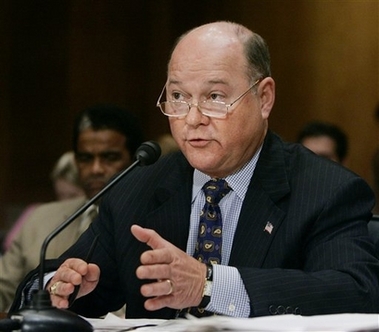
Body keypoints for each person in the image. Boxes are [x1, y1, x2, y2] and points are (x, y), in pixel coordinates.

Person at [13, 21, 379, 319]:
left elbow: (358, 291)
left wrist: (208, 284)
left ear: (263, 97)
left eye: (215, 97)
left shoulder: (325, 189)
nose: (193, 119)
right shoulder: (138, 187)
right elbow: (57, 282)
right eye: (178, 97)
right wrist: (57, 288)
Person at [0, 104, 144, 312]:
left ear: (135, 160)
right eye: (85, 158)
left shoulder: (153, 222)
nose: (95, 169)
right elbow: (4, 290)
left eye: (109, 157)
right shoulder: (39, 219)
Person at [1, 151, 85, 253]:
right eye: (60, 195)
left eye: (73, 196)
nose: (65, 202)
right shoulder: (36, 212)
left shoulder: (95, 219)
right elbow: (9, 246)